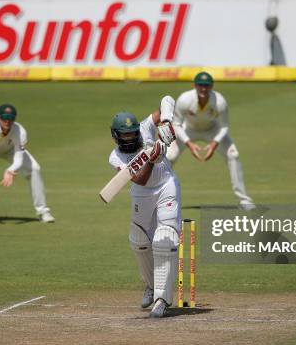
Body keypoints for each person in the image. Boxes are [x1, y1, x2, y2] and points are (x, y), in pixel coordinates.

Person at [108, 95, 179, 318]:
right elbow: (140, 179)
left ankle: (162, 299)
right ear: (116, 136)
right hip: (141, 192)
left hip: (166, 186)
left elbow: (167, 100)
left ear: (138, 131)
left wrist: (166, 122)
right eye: (125, 135)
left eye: (132, 134)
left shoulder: (147, 127)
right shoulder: (116, 157)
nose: (129, 139)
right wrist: (152, 157)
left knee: (164, 239)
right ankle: (150, 284)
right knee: (139, 241)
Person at [167, 72, 256, 210]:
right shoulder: (185, 99)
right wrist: (189, 144)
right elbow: (176, 124)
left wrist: (215, 143)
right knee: (169, 156)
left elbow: (225, 126)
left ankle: (244, 200)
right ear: (195, 86)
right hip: (188, 129)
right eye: (200, 85)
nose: (203, 89)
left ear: (211, 86)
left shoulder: (219, 101)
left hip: (212, 130)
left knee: (233, 154)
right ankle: (159, 197)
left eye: (207, 86)